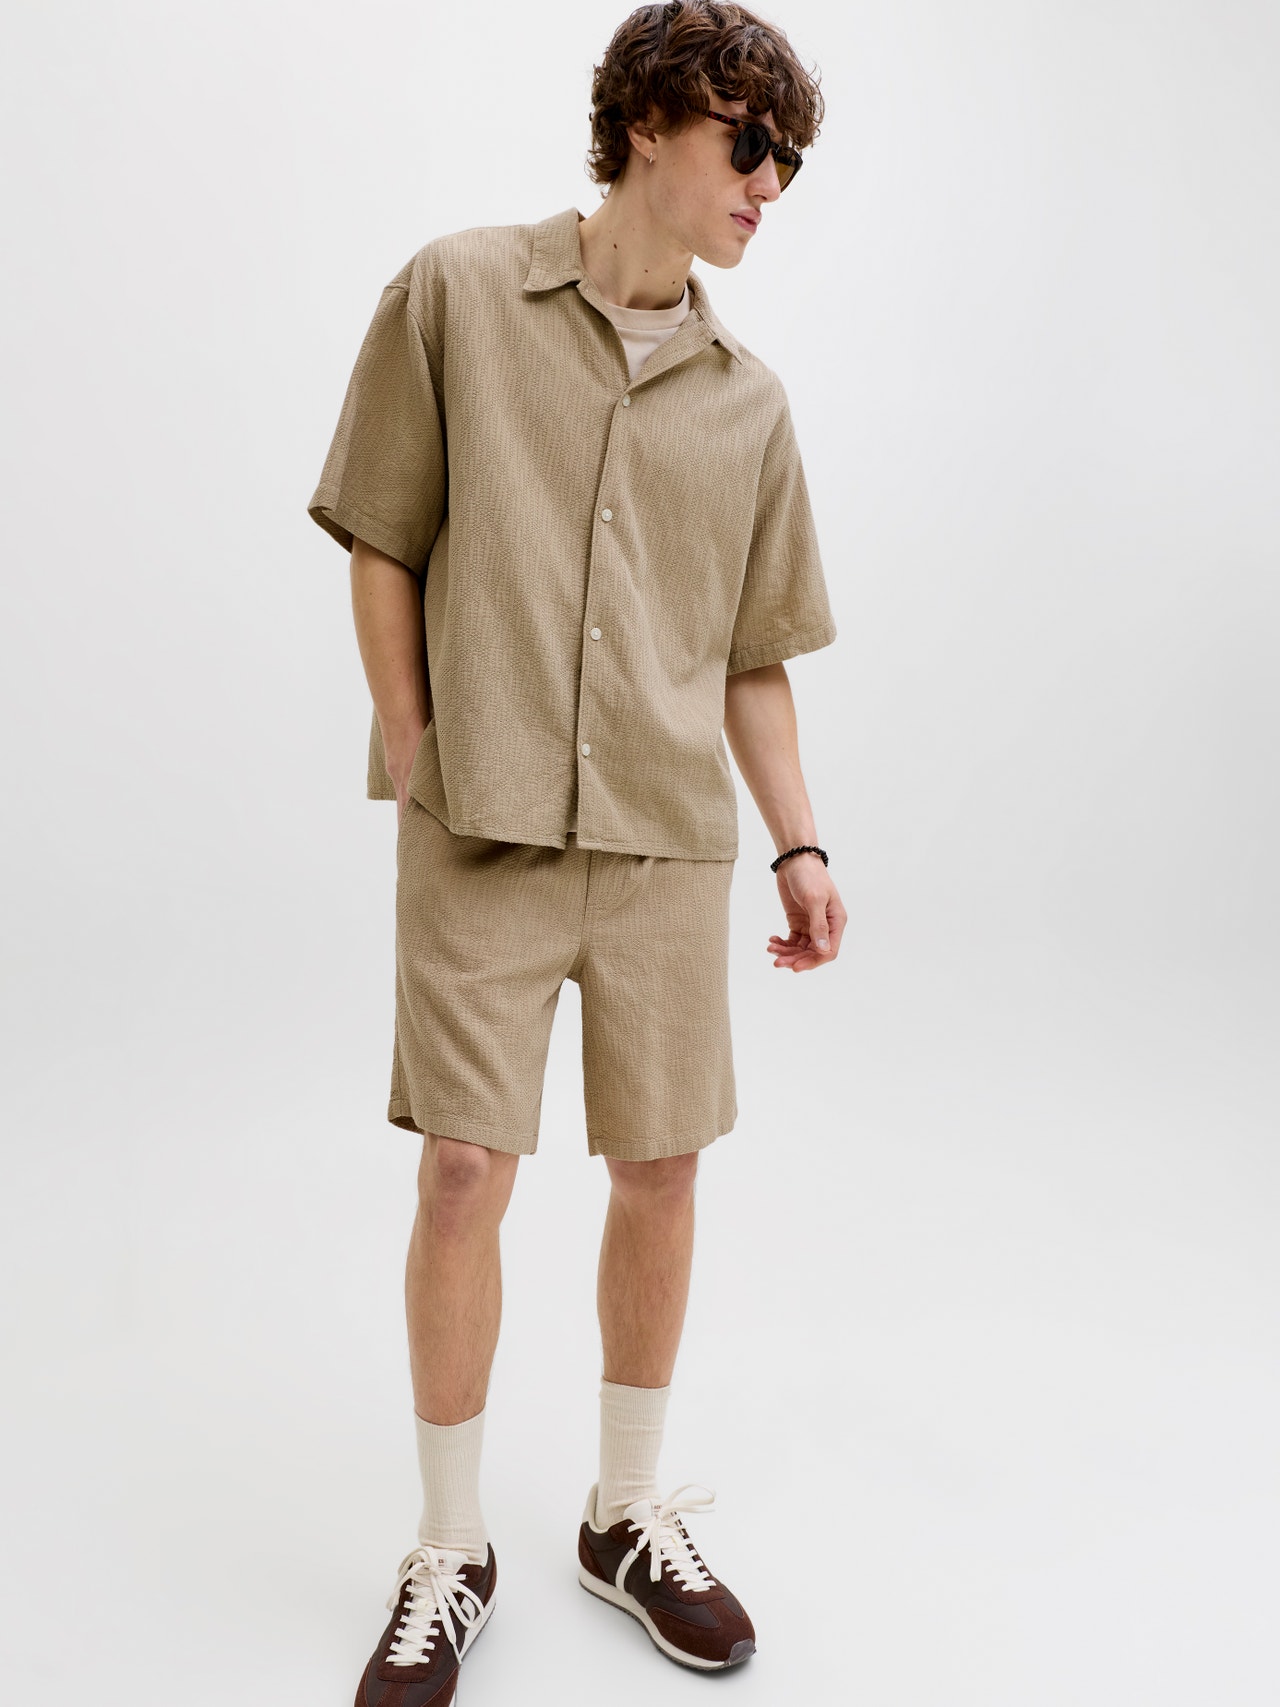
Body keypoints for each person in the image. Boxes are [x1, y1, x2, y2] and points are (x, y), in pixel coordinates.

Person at [306, 2, 842, 1699]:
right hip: (481, 831)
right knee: (465, 1171)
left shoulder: (749, 405)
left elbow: (750, 654)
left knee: (662, 1168)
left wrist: (801, 845)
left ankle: (622, 1515)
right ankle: (449, 1545)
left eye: (790, 160)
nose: (772, 185)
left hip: (667, 844)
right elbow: (381, 530)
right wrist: (416, 739)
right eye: (751, 145)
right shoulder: (458, 295)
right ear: (651, 122)